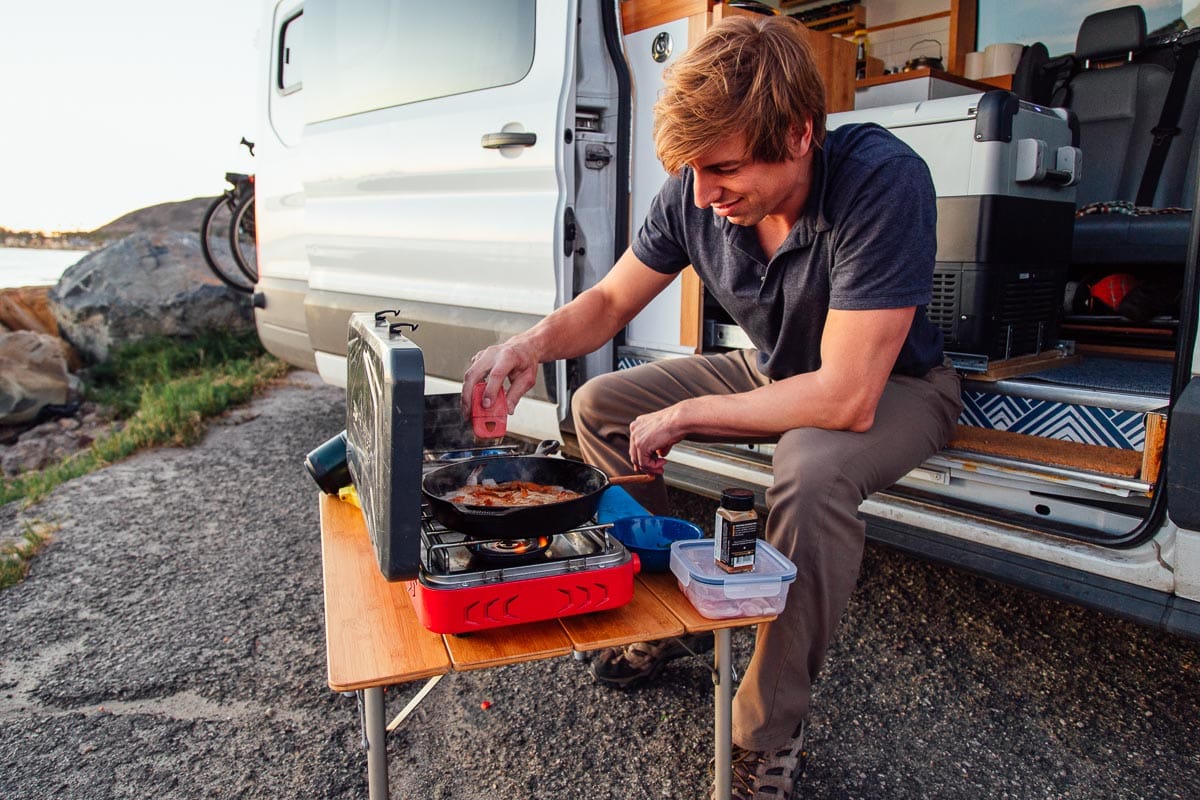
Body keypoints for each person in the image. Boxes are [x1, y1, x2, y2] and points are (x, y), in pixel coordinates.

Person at [462, 14, 962, 799]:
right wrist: (530, 344)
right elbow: (608, 300)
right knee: (598, 405)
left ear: (799, 134)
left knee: (809, 470)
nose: (702, 195)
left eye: (723, 169)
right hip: (771, 370)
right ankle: (670, 617)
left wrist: (690, 414)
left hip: (894, 385)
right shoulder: (698, 190)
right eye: (690, 171)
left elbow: (845, 395)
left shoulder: (881, 180)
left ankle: (765, 731)